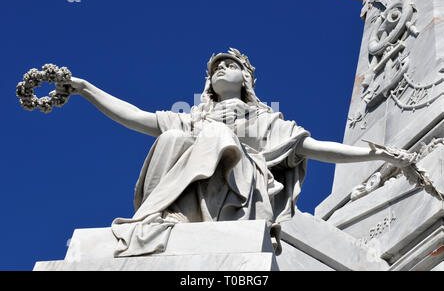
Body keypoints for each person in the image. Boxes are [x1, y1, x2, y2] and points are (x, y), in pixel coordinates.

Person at [65, 48, 415, 257]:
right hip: (190, 177)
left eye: (228, 65)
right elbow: (136, 117)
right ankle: (160, 216)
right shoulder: (194, 117)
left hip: (244, 187)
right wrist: (86, 89)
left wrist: (379, 156)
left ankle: (187, 219)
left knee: (215, 134)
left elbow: (316, 148)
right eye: (215, 67)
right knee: (172, 137)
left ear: (245, 78)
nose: (219, 68)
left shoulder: (264, 118)